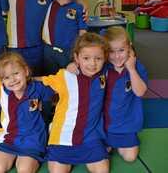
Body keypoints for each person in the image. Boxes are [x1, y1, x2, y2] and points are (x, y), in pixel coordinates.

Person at [42, 32, 109, 173]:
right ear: (76, 58)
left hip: (90, 137)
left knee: (103, 170)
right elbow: (40, 81)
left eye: (98, 58)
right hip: (63, 136)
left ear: (105, 59)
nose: (92, 63)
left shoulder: (104, 74)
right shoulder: (65, 75)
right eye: (86, 58)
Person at [0, 52, 55, 173]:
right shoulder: (0, 90)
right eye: (7, 77)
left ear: (26, 71)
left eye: (16, 73)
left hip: (33, 140)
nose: (13, 80)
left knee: (24, 170)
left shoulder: (39, 87)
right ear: (2, 81)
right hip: (11, 138)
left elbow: (60, 88)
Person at [103, 26, 147, 162]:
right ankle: (108, 142)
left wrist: (131, 69)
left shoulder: (137, 67)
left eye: (121, 50)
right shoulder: (103, 67)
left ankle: (118, 143)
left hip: (126, 125)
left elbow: (140, 92)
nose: (117, 56)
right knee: (100, 155)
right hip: (103, 125)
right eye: (111, 51)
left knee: (130, 157)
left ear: (130, 48)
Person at [6, 0, 55, 76]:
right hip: (13, 47)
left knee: (36, 77)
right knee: (16, 78)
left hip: (38, 47)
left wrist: (82, 2)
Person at [42, 0, 87, 74]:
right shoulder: (49, 2)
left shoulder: (79, 7)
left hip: (69, 53)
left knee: (69, 80)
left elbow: (83, 32)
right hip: (49, 51)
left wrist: (79, 52)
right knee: (51, 80)